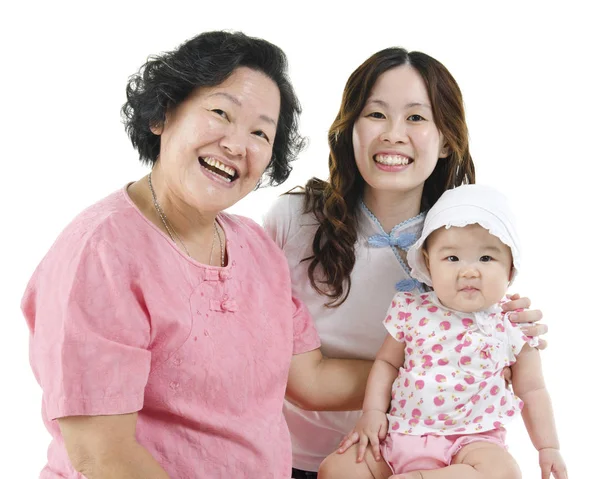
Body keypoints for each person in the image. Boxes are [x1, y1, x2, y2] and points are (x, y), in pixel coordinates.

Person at [21, 30, 374, 478]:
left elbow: (312, 379)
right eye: (220, 113)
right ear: (163, 115)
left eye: (260, 133)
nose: (235, 144)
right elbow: (102, 453)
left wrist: (447, 368)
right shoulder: (103, 253)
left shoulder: (255, 247)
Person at [263, 47, 548, 478]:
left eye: (416, 117)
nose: (394, 134)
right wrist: (459, 370)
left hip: (427, 461)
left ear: (447, 139)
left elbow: (511, 353)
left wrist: (503, 340)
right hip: (288, 459)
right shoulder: (293, 219)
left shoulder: (460, 242)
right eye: (376, 114)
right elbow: (277, 369)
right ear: (350, 128)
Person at [319, 184, 567, 478]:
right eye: (452, 258)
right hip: (399, 433)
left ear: (510, 269)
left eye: (486, 259)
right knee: (336, 469)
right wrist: (372, 412)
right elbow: (386, 363)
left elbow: (533, 389)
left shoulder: (512, 324)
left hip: (471, 441)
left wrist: (548, 447)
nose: (469, 271)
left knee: (503, 472)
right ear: (428, 263)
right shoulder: (411, 310)